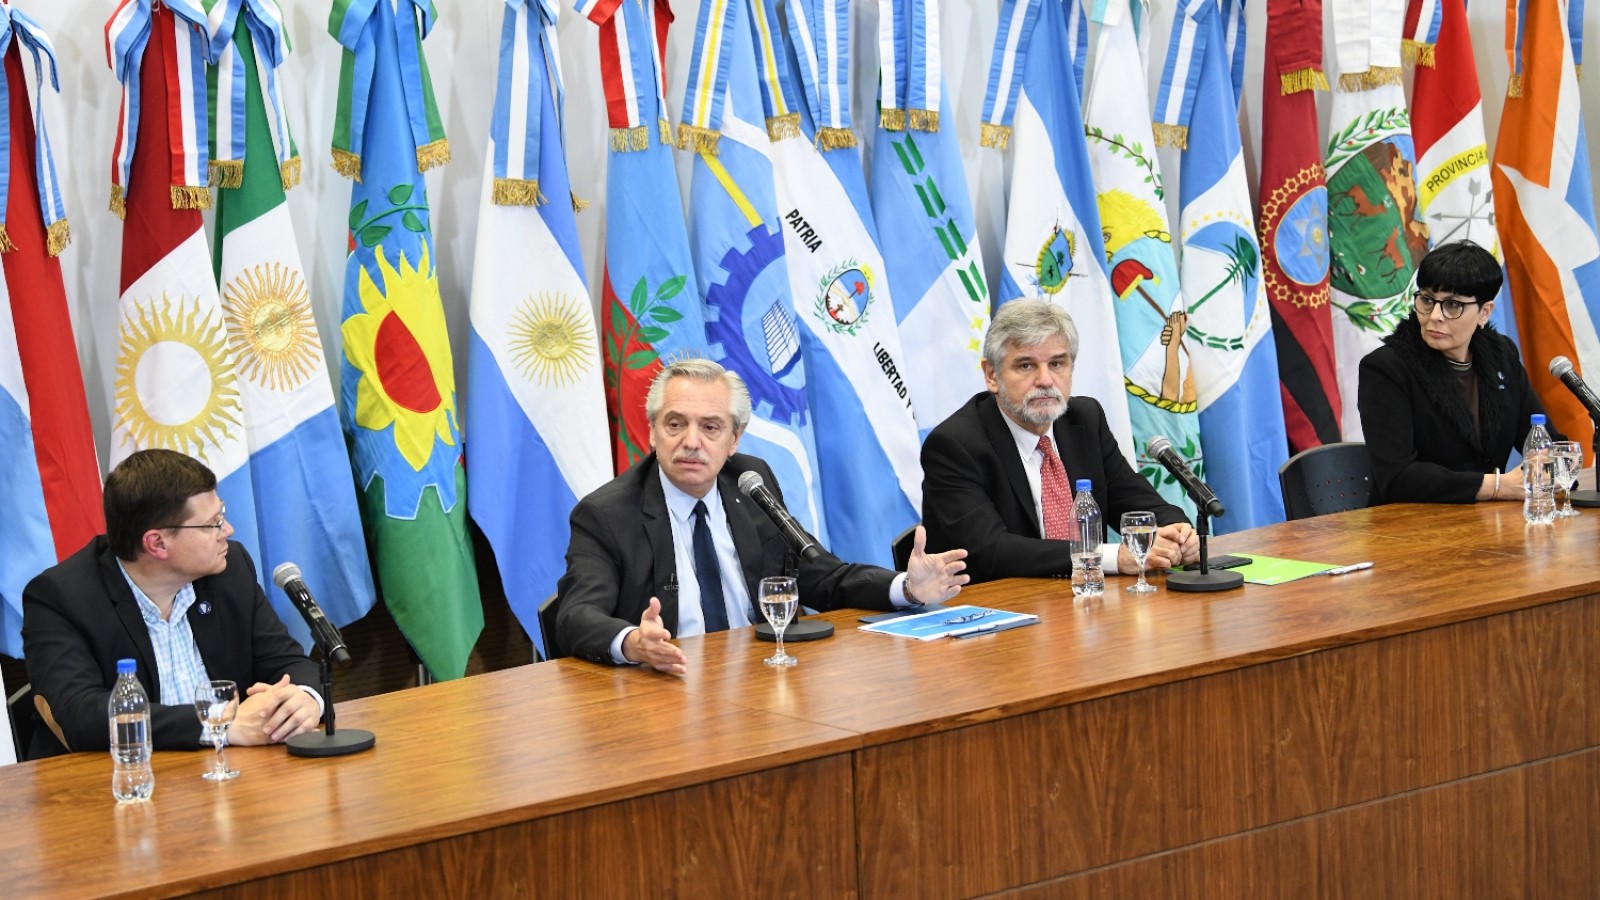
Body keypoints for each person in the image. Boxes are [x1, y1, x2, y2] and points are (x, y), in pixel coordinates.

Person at [555, 359, 970, 673]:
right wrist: (632, 643)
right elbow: (575, 616)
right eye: (675, 424)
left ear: (734, 439)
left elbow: (820, 576)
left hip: (763, 677)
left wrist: (908, 590)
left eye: (711, 427)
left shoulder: (750, 482)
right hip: (667, 688)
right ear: (651, 432)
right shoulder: (606, 514)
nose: (691, 442)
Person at [22, 449, 322, 758]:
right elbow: (80, 715)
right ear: (157, 543)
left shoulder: (230, 570)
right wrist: (219, 724)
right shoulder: (60, 597)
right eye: (213, 523)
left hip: (228, 775)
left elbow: (288, 662)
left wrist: (305, 698)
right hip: (112, 785)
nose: (228, 531)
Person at [921, 299, 1198, 584]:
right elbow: (988, 550)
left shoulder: (1084, 420)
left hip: (1085, 602)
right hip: (999, 609)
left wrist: (1174, 531)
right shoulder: (955, 445)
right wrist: (1110, 557)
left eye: (1056, 363)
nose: (1045, 380)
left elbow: (1137, 502)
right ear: (992, 375)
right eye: (1026, 365)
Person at [1358, 240, 1556, 504]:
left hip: (1486, 523)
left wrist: (1550, 466)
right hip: (1407, 529)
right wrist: (1497, 485)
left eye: (1453, 305)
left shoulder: (1501, 357)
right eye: (1427, 300)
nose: (1435, 316)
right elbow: (1398, 477)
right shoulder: (1387, 368)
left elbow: (1542, 438)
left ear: (1484, 312)